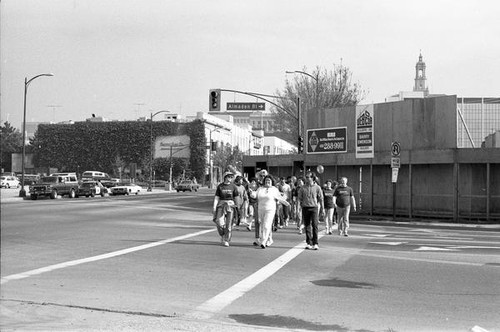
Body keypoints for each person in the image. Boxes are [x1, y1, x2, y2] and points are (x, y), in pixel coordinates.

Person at [255, 175, 290, 249]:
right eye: (266, 181)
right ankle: (269, 239)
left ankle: (263, 241)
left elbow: (279, 198)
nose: (267, 182)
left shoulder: (274, 189)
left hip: (270, 209)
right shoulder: (260, 189)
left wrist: (286, 203)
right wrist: (251, 193)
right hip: (261, 209)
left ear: (272, 182)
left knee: (266, 225)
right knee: (263, 225)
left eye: (269, 181)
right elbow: (255, 195)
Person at [298, 171, 324, 250]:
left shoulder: (317, 187)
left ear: (312, 178)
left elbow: (321, 198)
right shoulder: (302, 187)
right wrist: (298, 209)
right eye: (306, 177)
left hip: (314, 207)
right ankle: (309, 242)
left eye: (308, 177)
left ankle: (315, 243)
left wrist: (322, 209)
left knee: (315, 225)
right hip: (305, 207)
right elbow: (299, 199)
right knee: (307, 225)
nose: (306, 178)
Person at [212, 171, 239, 247]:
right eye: (228, 176)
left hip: (230, 205)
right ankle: (223, 234)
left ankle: (226, 240)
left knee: (229, 223)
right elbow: (217, 197)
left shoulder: (233, 186)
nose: (230, 178)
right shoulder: (220, 186)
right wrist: (214, 207)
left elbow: (236, 197)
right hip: (221, 204)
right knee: (218, 221)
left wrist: (237, 207)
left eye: (231, 177)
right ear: (225, 177)